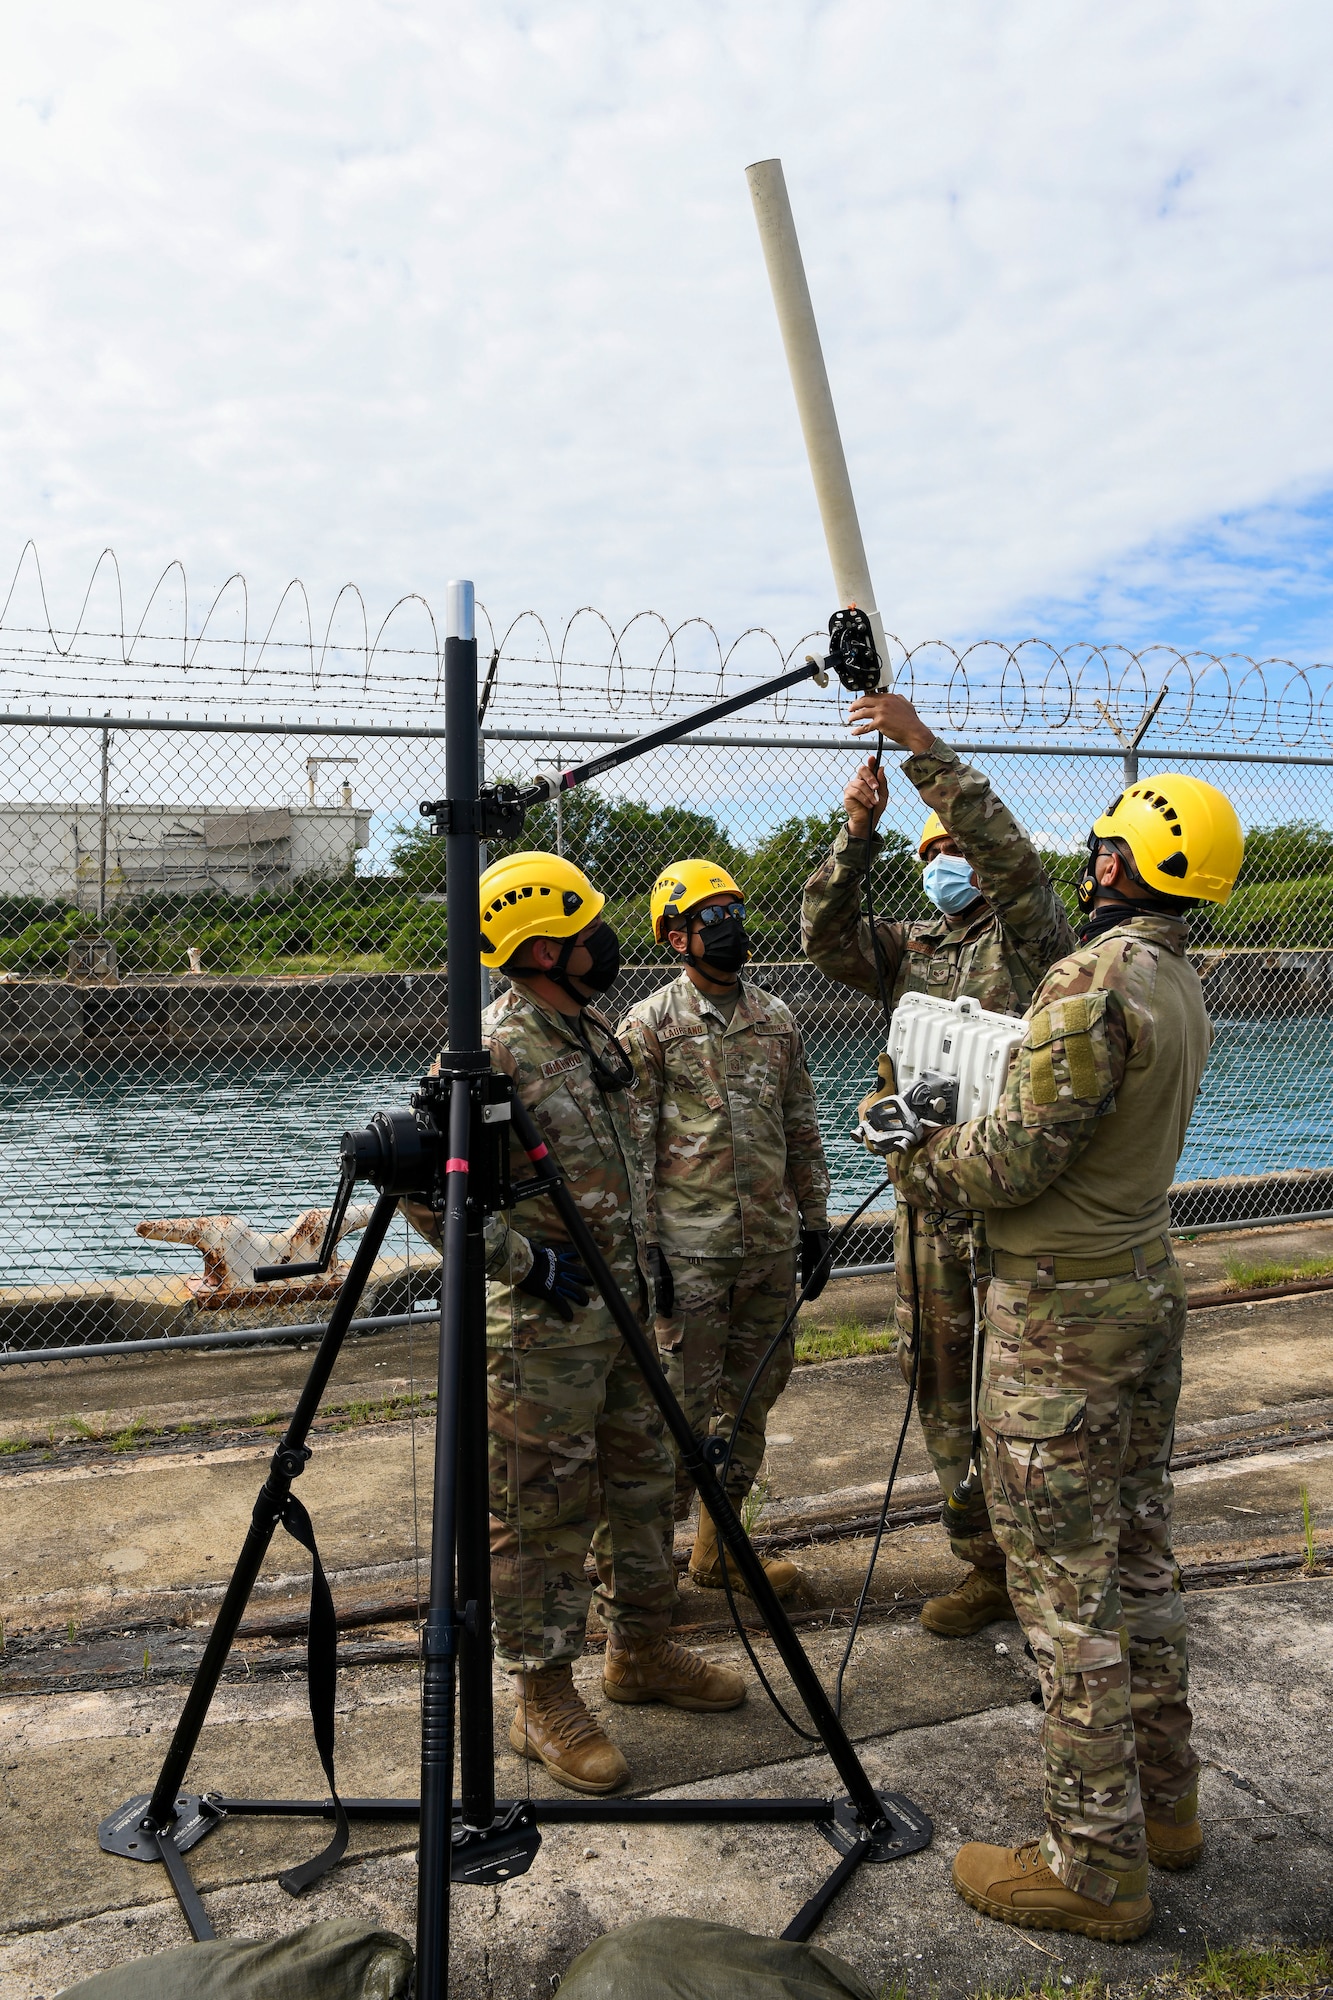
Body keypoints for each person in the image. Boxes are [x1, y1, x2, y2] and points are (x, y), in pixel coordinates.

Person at [882, 774, 1244, 1941]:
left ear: (1119, 863)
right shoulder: (1180, 976)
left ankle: (1094, 1865)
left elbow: (1009, 1164)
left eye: (1101, 848)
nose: (1088, 862)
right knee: (1139, 1556)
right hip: (1141, 1289)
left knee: (1063, 1593)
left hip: (1058, 1320)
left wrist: (911, 1146)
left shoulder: (1092, 979)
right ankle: (1166, 1806)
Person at [410, 849, 745, 1797]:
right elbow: (426, 1193)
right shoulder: (487, 1050)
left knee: (643, 1488)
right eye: (590, 926)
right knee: (540, 1516)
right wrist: (522, 1261)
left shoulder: (592, 1027)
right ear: (547, 947)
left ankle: (640, 1651)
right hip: (543, 1332)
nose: (607, 939)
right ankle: (542, 1701)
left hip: (629, 1310)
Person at [802, 688, 1074, 1637]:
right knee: (939, 1381)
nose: (947, 866)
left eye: (954, 852)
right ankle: (981, 1564)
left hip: (1008, 1209)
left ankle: (1035, 1554)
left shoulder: (1035, 940)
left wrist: (923, 752)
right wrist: (859, 831)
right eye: (933, 857)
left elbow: (1016, 866)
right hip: (925, 1213)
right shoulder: (904, 951)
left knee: (1022, 1390)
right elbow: (823, 936)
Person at [619, 859, 832, 1599]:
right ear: (675, 937)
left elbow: (801, 1126)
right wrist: (650, 1256)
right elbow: (632, 1150)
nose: (727, 929)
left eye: (732, 913)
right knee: (672, 1414)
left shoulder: (776, 1017)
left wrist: (815, 1222)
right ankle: (638, 1582)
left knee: (749, 1402)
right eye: (709, 918)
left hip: (769, 1249)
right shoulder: (650, 1026)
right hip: (692, 1255)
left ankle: (719, 1551)